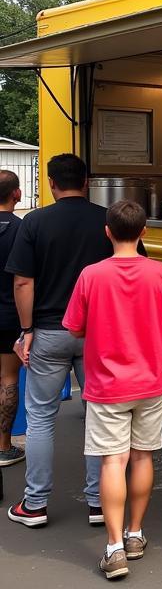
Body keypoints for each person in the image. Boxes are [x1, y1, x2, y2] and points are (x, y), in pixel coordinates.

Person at [5, 154, 130, 529]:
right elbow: (129, 270)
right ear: (87, 180)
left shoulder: (36, 222)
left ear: (51, 183)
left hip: (48, 331)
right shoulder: (108, 221)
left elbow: (23, 281)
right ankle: (97, 502)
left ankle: (35, 504)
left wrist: (27, 331)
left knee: (41, 419)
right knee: (99, 416)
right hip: (97, 334)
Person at [62, 200, 162, 579]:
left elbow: (75, 328)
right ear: (144, 232)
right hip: (152, 381)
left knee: (112, 461)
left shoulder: (91, 275)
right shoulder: (160, 273)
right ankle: (135, 534)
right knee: (143, 458)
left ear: (107, 232)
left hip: (107, 384)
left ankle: (114, 548)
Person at [0, 171, 23, 467]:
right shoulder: (23, 228)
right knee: (8, 378)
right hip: (9, 316)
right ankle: (4, 447)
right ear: (16, 194)